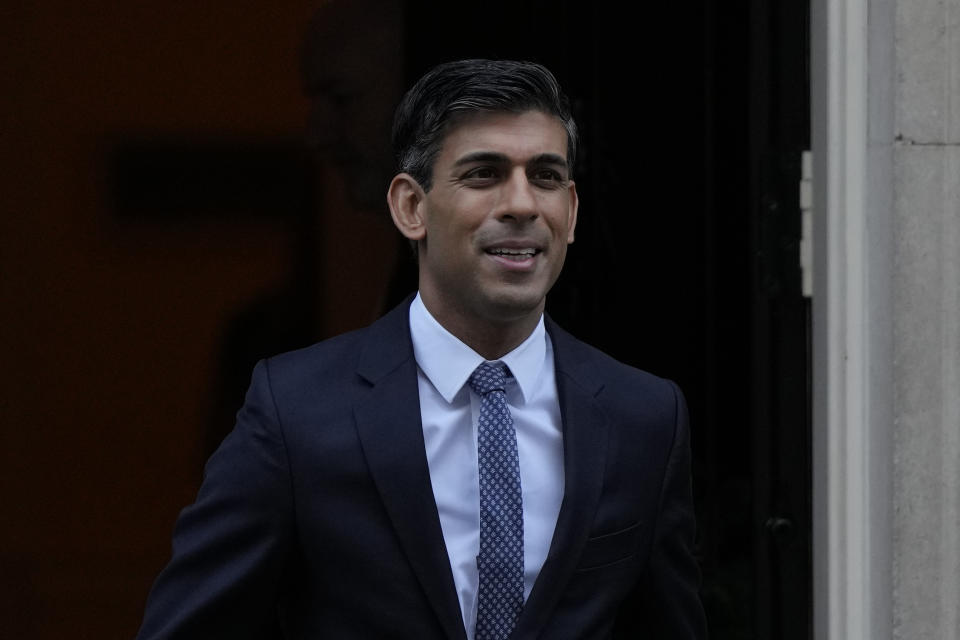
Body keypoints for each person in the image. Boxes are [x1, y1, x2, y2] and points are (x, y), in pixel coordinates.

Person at [136, 59, 707, 639]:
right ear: (411, 207)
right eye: (484, 174)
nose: (522, 204)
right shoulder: (297, 411)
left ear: (573, 210)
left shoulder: (645, 418)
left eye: (545, 176)